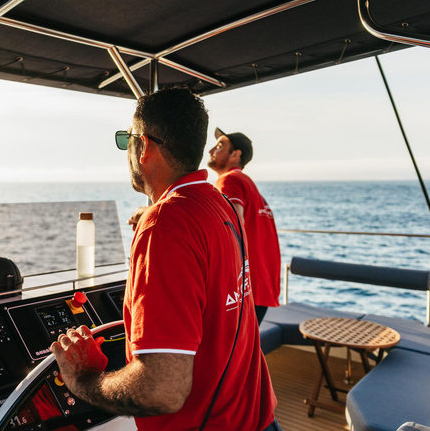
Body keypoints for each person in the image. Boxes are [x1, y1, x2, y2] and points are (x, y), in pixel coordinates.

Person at [50, 88, 279, 431]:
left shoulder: (164, 225)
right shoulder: (219, 206)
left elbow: (161, 392)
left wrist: (81, 378)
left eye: (127, 140)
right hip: (257, 419)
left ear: (144, 147)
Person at [207, 128, 281, 324]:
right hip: (261, 288)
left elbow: (231, 225)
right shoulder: (249, 185)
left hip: (242, 289)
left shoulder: (228, 180)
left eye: (220, 145)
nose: (211, 150)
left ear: (236, 154)